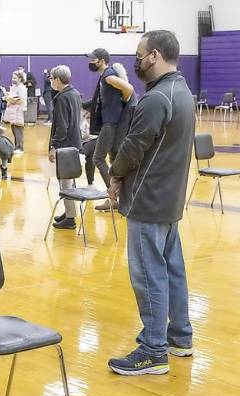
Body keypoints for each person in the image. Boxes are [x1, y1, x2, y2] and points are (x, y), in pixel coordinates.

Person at [107, 30, 194, 376]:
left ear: (154, 55)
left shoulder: (157, 98)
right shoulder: (183, 92)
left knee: (149, 275)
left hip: (147, 200)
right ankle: (179, 337)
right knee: (173, 270)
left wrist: (115, 174)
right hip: (169, 201)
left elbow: (132, 147)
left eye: (139, 54)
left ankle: (153, 349)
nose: (136, 60)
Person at [85, 47, 135, 211]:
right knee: (114, 158)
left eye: (93, 59)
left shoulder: (108, 76)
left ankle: (112, 197)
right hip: (111, 121)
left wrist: (123, 100)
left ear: (101, 61)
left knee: (98, 158)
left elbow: (129, 89)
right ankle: (118, 197)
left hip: (111, 122)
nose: (90, 62)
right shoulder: (106, 76)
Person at [46, 65, 83, 230]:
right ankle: (69, 212)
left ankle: (70, 219)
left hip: (65, 146)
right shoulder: (74, 93)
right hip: (74, 143)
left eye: (52, 78)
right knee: (68, 182)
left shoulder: (62, 98)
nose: (51, 81)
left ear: (58, 79)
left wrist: (54, 145)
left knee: (66, 184)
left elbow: (62, 126)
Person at [5, 71, 28, 153]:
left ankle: (20, 147)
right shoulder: (14, 87)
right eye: (12, 77)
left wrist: (11, 100)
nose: (13, 79)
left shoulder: (22, 87)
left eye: (15, 78)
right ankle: (16, 146)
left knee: (18, 129)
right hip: (12, 111)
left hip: (18, 111)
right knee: (14, 129)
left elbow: (21, 100)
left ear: (20, 78)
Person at [80, 110, 97, 186]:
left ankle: (91, 183)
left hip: (91, 140)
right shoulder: (81, 118)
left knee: (91, 155)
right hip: (79, 141)